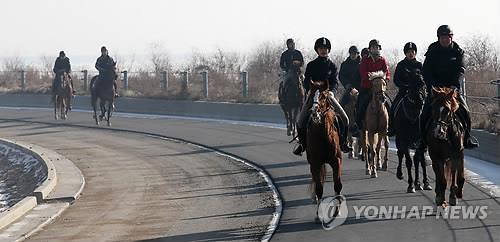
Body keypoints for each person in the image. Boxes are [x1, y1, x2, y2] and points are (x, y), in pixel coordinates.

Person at [419, 25, 479, 149]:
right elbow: (426, 70)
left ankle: (467, 139)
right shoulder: (432, 50)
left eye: (447, 37)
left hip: (452, 90)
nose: (445, 40)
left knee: (465, 111)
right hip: (436, 90)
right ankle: (422, 141)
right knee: (424, 113)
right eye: (442, 37)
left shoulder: (458, 51)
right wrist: (431, 85)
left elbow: (461, 70)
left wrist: (454, 86)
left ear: (451, 38)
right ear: (438, 38)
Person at [293, 37, 353, 156]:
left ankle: (343, 143)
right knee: (300, 121)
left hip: (328, 95)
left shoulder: (332, 66)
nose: (323, 51)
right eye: (321, 48)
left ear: (328, 50)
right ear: (317, 50)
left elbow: (335, 82)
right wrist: (310, 89)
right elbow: (306, 82)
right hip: (313, 95)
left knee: (345, 118)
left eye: (325, 48)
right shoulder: (311, 65)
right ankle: (302, 144)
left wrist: (332, 91)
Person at [356, 39, 392, 132]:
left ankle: (390, 126)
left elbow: (387, 72)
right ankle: (358, 125)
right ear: (370, 49)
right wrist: (373, 78)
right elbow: (363, 72)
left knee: (389, 104)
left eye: (377, 47)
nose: (375, 49)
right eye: (373, 47)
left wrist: (385, 79)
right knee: (360, 105)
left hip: (380, 88)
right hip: (367, 87)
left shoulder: (382, 60)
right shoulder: (365, 60)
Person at [389, 42, 423, 135]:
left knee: (426, 106)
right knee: (393, 106)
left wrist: (418, 88)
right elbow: (396, 79)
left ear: (415, 53)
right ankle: (392, 127)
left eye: (412, 51)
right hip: (403, 92)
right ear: (405, 53)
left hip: (417, 93)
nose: (410, 53)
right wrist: (405, 87)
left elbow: (423, 80)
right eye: (408, 52)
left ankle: (424, 129)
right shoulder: (401, 65)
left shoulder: (419, 65)